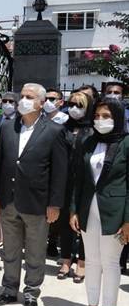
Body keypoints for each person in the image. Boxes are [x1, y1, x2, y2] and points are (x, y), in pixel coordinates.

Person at [0, 83, 68, 306]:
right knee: (10, 250)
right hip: (9, 199)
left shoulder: (54, 131)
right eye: (22, 96)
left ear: (42, 103)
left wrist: (55, 204)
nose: (23, 100)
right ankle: (9, 289)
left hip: (37, 202)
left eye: (29, 97)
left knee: (34, 251)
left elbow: (59, 172)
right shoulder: (7, 127)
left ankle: (32, 292)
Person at [70, 98, 128, 306]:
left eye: (106, 116)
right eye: (97, 116)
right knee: (92, 260)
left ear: (117, 118)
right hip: (87, 209)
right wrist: (74, 210)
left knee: (110, 261)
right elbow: (79, 180)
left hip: (114, 211)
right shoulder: (87, 141)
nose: (100, 121)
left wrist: (127, 220)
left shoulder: (125, 143)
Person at [55, 91, 94, 281]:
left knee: (83, 223)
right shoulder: (63, 128)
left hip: (86, 184)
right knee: (65, 223)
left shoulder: (94, 130)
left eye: (80, 105)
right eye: (71, 104)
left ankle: (82, 262)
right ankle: (65, 260)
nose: (74, 109)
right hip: (65, 182)